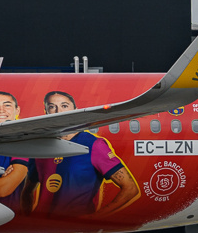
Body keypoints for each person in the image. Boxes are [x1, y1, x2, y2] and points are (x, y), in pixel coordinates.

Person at [24, 90, 140, 219]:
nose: (58, 112)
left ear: (75, 110)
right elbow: (27, 191)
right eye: (52, 107)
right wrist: (28, 219)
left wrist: (98, 217)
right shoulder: (40, 147)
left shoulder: (93, 145)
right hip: (45, 226)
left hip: (75, 227)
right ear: (46, 112)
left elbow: (130, 188)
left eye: (64, 106)